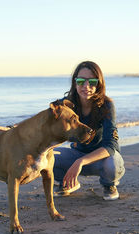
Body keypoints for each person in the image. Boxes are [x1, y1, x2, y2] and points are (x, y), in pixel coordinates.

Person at [53, 61, 125, 200]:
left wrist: (80, 162)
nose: (86, 86)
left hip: (102, 159)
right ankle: (67, 183)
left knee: (113, 164)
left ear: (99, 84)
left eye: (92, 81)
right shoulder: (66, 105)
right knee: (48, 156)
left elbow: (111, 145)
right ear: (75, 83)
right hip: (76, 154)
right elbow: (42, 122)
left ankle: (109, 184)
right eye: (81, 81)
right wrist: (11, 129)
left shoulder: (106, 105)